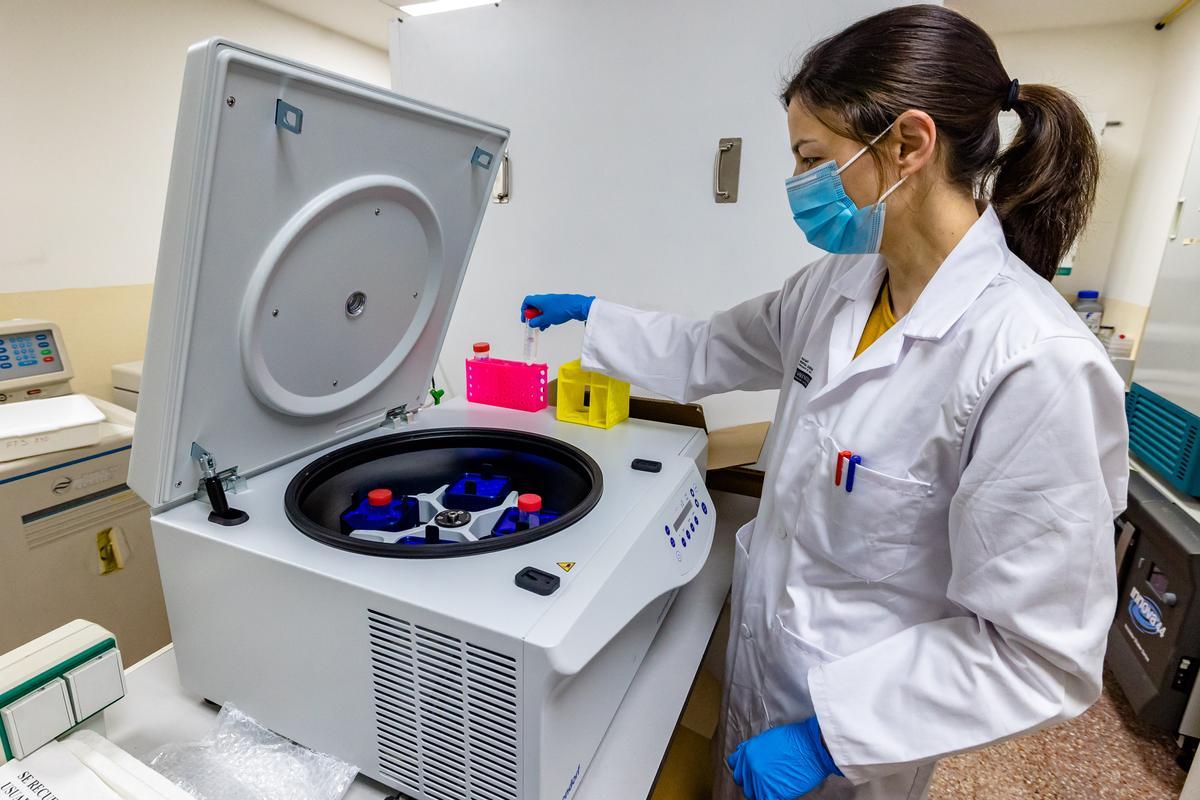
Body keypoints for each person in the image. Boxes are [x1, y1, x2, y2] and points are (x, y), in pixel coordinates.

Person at [521, 5, 1127, 799]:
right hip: (759, 678)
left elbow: (1038, 652)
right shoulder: (837, 287)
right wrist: (593, 316)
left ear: (908, 145)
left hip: (859, 744)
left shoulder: (1034, 363)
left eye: (813, 157)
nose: (800, 185)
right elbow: (711, 348)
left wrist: (829, 738)